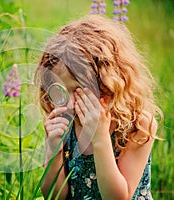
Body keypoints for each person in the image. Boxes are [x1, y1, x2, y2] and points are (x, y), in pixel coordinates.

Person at [34, 15, 162, 200]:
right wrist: (54, 150)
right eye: (60, 91)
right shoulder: (66, 122)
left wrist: (100, 136)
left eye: (78, 91)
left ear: (108, 84)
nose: (69, 104)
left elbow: (118, 197)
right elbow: (54, 196)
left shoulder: (138, 125)